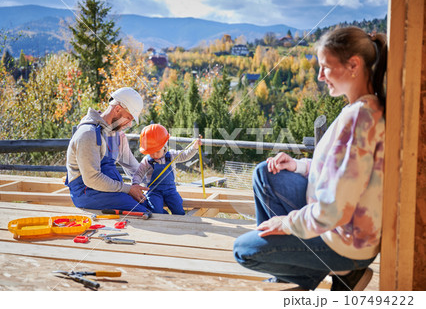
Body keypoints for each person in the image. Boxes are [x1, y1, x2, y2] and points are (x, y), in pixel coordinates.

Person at [233, 26, 387, 291]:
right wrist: (299, 166)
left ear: (353, 65)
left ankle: (334, 273)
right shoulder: (358, 108)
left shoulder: (360, 119)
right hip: (336, 222)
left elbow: (335, 210)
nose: (319, 75)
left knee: (244, 249)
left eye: (325, 67)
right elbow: (342, 170)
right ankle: (309, 269)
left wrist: (287, 223)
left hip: (346, 242)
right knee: (265, 173)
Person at [65, 87, 150, 211]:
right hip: (87, 193)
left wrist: (152, 181)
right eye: (129, 118)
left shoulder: (118, 135)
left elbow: (133, 167)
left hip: (110, 191)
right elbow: (92, 179)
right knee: (141, 211)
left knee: (148, 205)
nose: (130, 124)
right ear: (117, 109)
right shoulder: (87, 134)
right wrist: (128, 189)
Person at [132, 124, 201, 215]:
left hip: (170, 190)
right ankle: (165, 217)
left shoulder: (171, 155)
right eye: (151, 152)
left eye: (157, 151)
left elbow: (185, 155)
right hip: (154, 191)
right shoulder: (147, 160)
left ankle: (178, 223)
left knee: (178, 210)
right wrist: (135, 184)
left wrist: (194, 147)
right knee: (156, 210)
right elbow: (138, 174)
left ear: (165, 147)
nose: (155, 155)